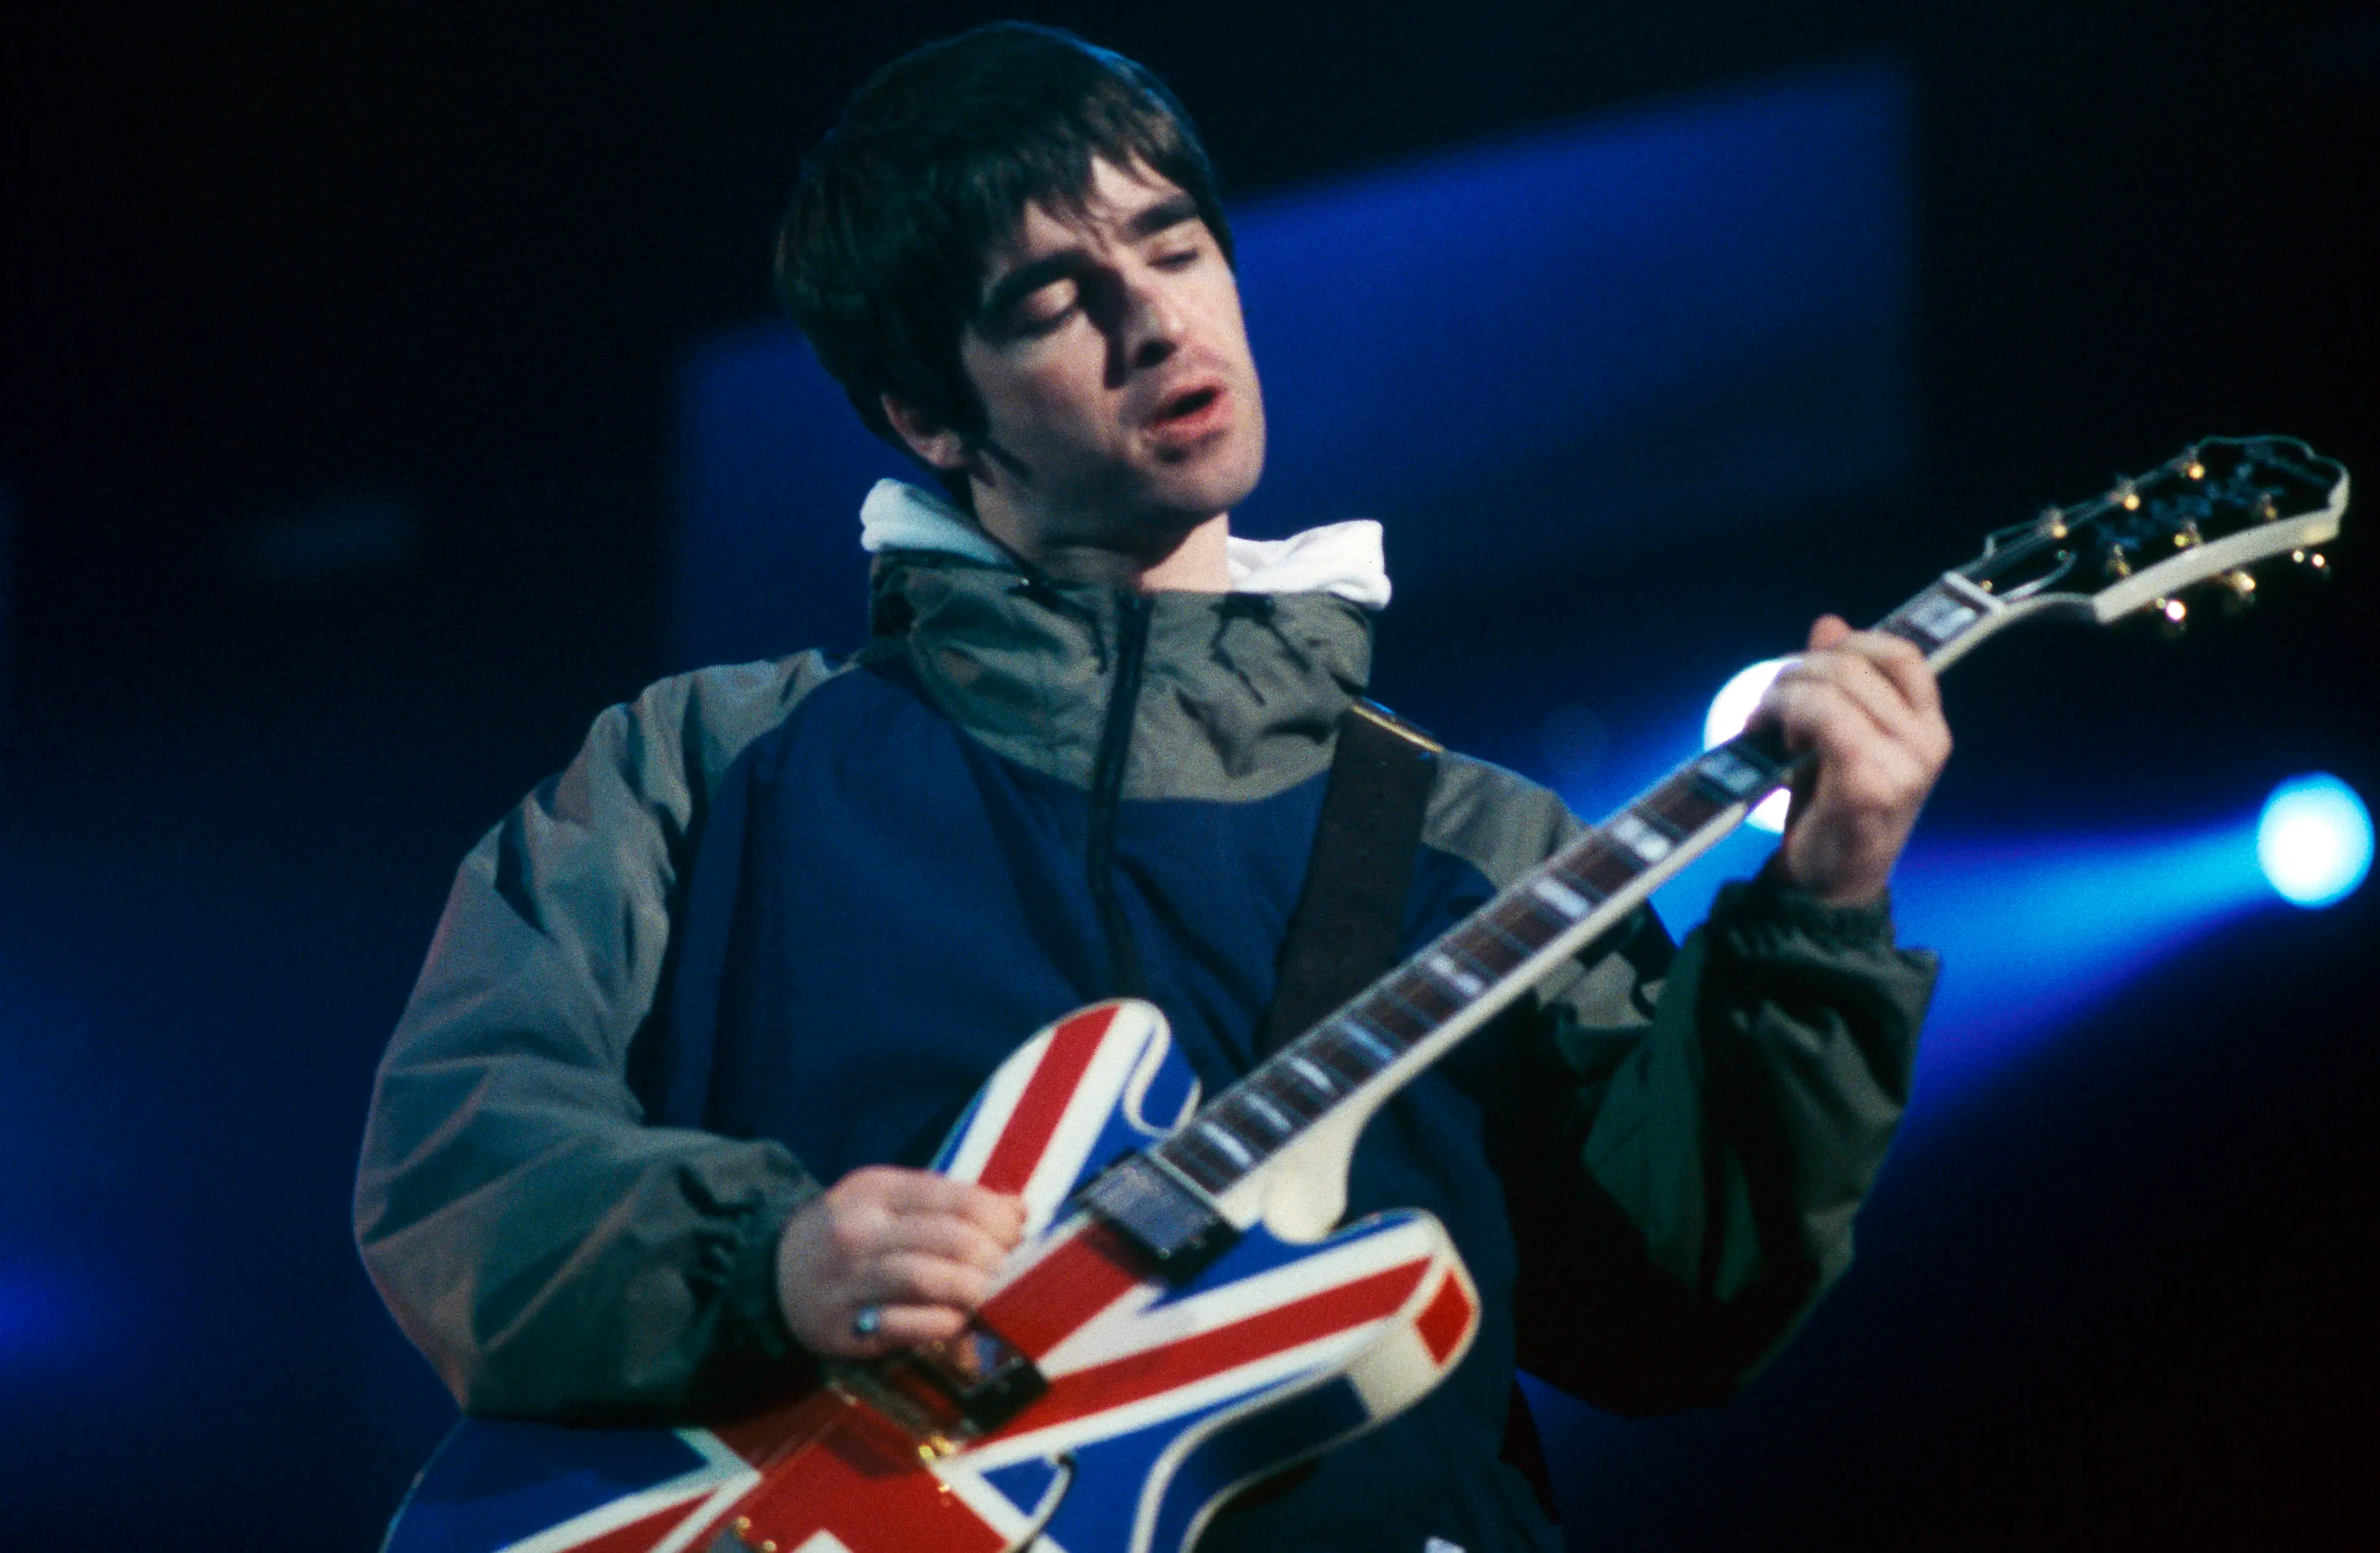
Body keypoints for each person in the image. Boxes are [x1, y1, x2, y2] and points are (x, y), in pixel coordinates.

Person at [355, 22, 1949, 1553]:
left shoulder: (1472, 842)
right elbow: (458, 1164)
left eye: (1177, 248)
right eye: (1056, 301)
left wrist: (1821, 911)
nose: (1159, 324)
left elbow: (1678, 1305)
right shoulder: (704, 769)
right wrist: (767, 1258)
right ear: (927, 414)